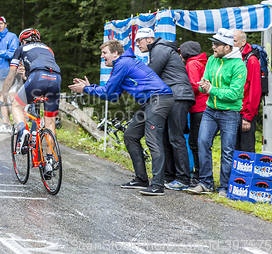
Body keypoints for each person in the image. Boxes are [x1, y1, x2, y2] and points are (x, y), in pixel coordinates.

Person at [69, 40, 174, 196]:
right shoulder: (122, 65)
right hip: (150, 102)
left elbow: (107, 91)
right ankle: (141, 179)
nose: (102, 56)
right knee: (130, 135)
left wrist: (85, 88)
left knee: (153, 141)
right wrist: (89, 88)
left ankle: (158, 185)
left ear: (115, 53)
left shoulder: (122, 64)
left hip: (159, 99)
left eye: (104, 53)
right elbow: (113, 96)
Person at [187, 28, 246, 197]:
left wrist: (211, 89)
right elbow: (203, 82)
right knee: (202, 143)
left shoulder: (238, 65)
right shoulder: (213, 59)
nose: (213, 47)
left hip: (230, 113)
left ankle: (224, 187)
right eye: (213, 43)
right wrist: (204, 85)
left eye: (217, 44)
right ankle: (206, 183)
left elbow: (234, 94)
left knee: (227, 150)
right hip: (210, 110)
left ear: (227, 47)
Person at [135, 28, 195, 190]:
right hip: (169, 96)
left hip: (179, 96)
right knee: (165, 137)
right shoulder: (158, 49)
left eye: (139, 40)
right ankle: (170, 175)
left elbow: (151, 75)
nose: (137, 44)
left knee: (176, 137)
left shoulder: (160, 48)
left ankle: (183, 178)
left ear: (149, 39)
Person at [0, 28, 61, 178]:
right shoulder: (48, 49)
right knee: (50, 123)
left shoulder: (21, 48)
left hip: (38, 77)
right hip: (56, 79)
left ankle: (23, 131)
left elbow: (11, 76)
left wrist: (2, 96)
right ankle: (50, 161)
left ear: (23, 41)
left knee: (16, 105)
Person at [179, 41, 208, 186]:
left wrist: (182, 96)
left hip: (198, 107)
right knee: (200, 142)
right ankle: (201, 175)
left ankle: (198, 176)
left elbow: (194, 86)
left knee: (194, 143)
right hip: (204, 107)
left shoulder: (192, 64)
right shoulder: (203, 62)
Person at [233, 30, 261, 153]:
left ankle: (247, 173)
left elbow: (255, 91)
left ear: (243, 42)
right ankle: (234, 173)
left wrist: (248, 117)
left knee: (246, 151)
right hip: (234, 111)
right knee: (234, 149)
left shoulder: (251, 60)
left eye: (234, 41)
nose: (231, 44)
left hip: (245, 113)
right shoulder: (234, 57)